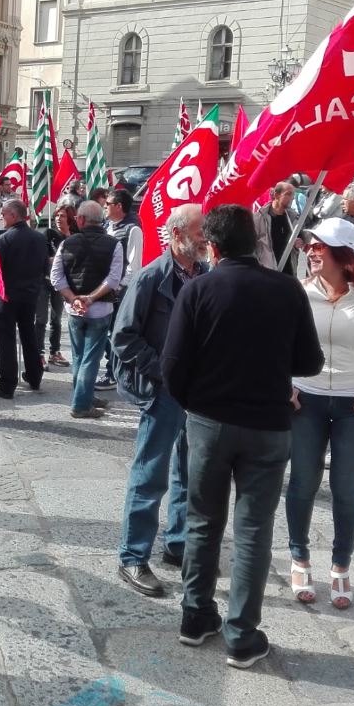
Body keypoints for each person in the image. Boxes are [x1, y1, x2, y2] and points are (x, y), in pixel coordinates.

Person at [161, 204, 323, 670]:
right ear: (254, 243)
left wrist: (196, 400)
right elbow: (309, 362)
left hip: (210, 423)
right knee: (253, 531)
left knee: (202, 522)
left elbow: (172, 366)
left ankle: (195, 617)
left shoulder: (199, 290)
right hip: (268, 425)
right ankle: (241, 634)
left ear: (212, 247)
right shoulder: (287, 289)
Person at [285, 218, 354, 611]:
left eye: (322, 246)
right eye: (311, 244)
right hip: (308, 400)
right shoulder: (299, 292)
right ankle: (299, 558)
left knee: (346, 487)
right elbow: (281, 346)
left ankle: (340, 566)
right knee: (301, 482)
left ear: (344, 254)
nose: (313, 251)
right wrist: (288, 384)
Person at [113, 204, 208, 597]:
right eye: (201, 231)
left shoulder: (204, 275)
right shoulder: (152, 276)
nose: (206, 238)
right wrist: (164, 372)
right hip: (164, 390)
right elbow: (123, 338)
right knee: (150, 474)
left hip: (197, 392)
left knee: (189, 471)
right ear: (176, 235)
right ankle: (133, 557)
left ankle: (177, 543)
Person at [51, 201, 123, 419]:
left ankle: (84, 397)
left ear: (80, 220)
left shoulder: (67, 243)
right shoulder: (114, 244)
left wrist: (75, 299)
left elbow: (56, 277)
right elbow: (114, 279)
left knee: (80, 356)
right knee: (91, 358)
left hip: (75, 310)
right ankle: (82, 403)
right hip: (100, 309)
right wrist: (90, 299)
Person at [0, 199, 48, 399]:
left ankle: (7, 384)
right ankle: (34, 376)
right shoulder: (40, 239)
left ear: (13, 216)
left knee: (6, 341)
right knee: (29, 335)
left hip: (7, 297)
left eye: (4, 213)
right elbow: (44, 268)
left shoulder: (4, 240)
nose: (1, 217)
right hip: (30, 295)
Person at [98, 189, 143, 391]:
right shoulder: (106, 227)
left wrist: (119, 286)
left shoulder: (132, 229)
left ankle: (114, 373)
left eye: (108, 203)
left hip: (119, 291)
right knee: (105, 332)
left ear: (118, 206)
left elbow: (134, 264)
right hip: (104, 288)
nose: (104, 206)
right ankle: (113, 368)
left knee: (116, 332)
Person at [34, 197, 77, 368]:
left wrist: (59, 260)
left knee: (57, 319)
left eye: (63, 216)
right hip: (44, 281)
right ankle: (39, 353)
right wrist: (55, 260)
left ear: (71, 218)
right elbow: (44, 258)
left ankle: (55, 352)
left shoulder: (76, 237)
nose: (59, 219)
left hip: (62, 285)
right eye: (57, 216)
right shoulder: (49, 234)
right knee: (41, 319)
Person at [253, 181, 299, 273]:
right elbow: (251, 247)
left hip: (289, 271)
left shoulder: (293, 217)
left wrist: (301, 241)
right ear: (276, 195)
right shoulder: (259, 218)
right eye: (288, 194)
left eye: (293, 194)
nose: (292, 198)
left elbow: (302, 236)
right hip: (268, 272)